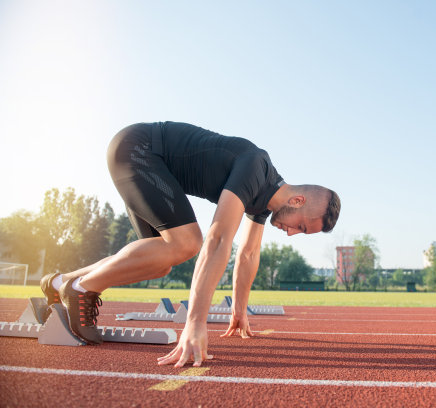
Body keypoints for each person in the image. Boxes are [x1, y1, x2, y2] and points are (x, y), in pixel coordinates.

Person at [39, 121, 341, 367]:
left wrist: (239, 310)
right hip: (139, 150)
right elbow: (219, 238)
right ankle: (82, 290)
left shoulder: (263, 201)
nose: (291, 234)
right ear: (298, 200)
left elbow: (248, 253)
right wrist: (195, 324)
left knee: (160, 260)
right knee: (187, 242)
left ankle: (63, 282)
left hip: (144, 160)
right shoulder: (256, 167)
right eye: (300, 226)